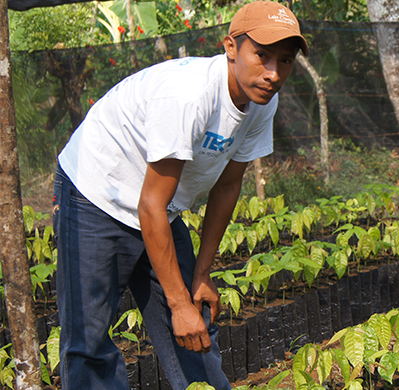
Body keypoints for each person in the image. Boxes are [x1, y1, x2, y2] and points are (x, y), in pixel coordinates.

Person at [52, 2, 308, 389]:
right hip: (96, 192)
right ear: (230, 47)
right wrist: (177, 302)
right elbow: (148, 204)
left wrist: (202, 274)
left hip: (159, 207)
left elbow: (227, 186)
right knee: (89, 343)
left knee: (196, 326)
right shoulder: (188, 96)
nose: (273, 73)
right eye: (262, 55)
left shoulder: (261, 104)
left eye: (285, 61)